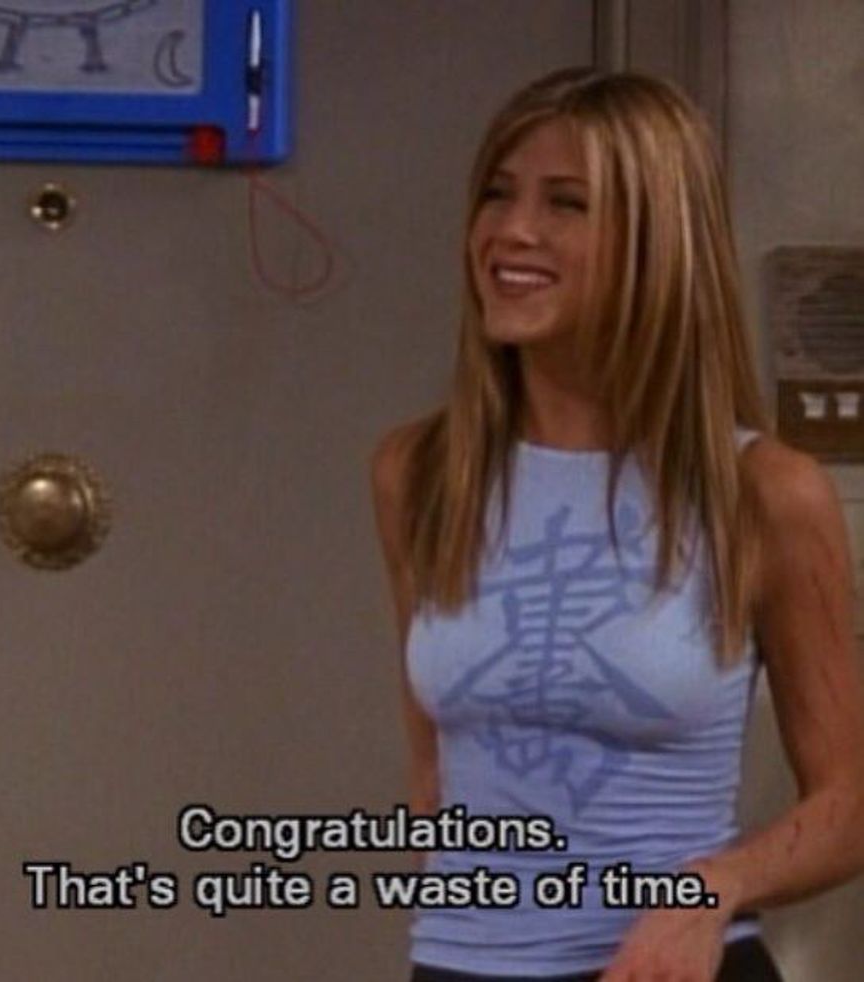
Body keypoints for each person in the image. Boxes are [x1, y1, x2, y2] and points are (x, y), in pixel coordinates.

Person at [370, 66, 864, 982]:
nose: (512, 231)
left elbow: (850, 805)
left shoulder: (763, 492)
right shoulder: (421, 473)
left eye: (566, 203)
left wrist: (713, 889)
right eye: (498, 194)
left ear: (658, 244)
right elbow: (435, 772)